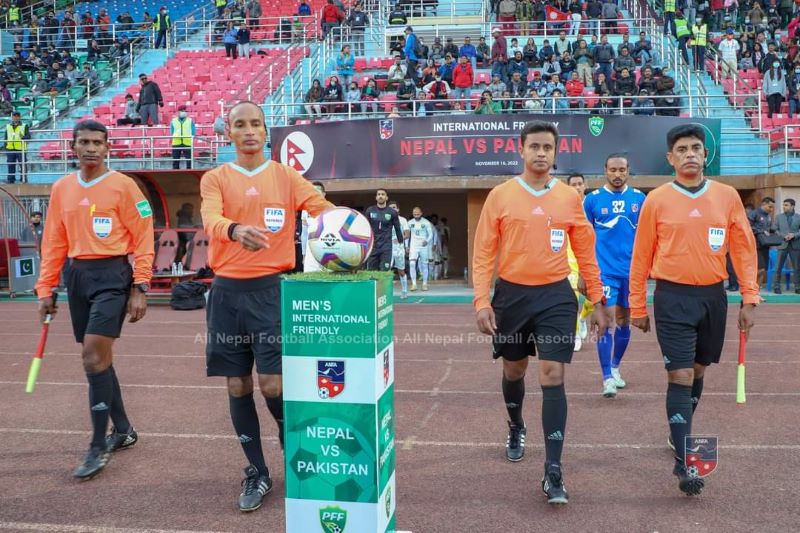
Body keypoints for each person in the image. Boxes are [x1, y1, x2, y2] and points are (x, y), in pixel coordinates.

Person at [200, 101, 333, 512]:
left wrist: (347, 228)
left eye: (255, 123)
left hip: (272, 293)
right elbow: (211, 221)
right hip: (225, 295)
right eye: (240, 125)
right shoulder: (215, 178)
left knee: (273, 385)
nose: (249, 131)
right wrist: (235, 229)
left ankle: (290, 444)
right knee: (237, 384)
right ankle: (257, 471)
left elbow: (322, 210)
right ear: (229, 133)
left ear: (265, 130)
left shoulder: (287, 176)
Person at [473, 121, 607, 505]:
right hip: (511, 296)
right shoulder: (500, 196)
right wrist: (482, 301)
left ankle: (553, 470)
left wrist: (596, 300)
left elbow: (585, 251)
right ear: (521, 149)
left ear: (556, 151)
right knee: (514, 370)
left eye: (548, 147)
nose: (541, 153)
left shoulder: (568, 198)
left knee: (553, 374)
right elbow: (483, 252)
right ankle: (516, 425)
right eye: (535, 146)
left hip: (556, 296)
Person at [629, 124, 758, 496]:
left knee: (699, 369)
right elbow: (641, 257)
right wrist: (638, 303)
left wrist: (749, 298)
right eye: (682, 149)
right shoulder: (656, 200)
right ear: (670, 158)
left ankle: (678, 433)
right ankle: (686, 461)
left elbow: (744, 249)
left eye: (696, 148)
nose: (689, 154)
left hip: (713, 297)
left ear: (705, 155)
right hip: (672, 297)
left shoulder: (727, 196)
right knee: (681, 374)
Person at [35, 119, 155, 480]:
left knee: (91, 354)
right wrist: (46, 289)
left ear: (107, 148)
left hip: (113, 276)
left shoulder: (125, 186)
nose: (90, 148)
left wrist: (141, 285)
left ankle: (97, 446)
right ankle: (123, 430)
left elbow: (145, 235)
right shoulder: (61, 189)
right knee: (99, 358)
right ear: (73, 147)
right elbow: (54, 242)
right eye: (83, 142)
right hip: (77, 276)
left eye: (97, 142)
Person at [583, 154, 646, 397]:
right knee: (605, 323)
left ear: (628, 170)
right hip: (604, 272)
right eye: (613, 170)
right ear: (605, 170)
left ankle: (616, 367)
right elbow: (583, 239)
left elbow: (647, 236)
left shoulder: (640, 199)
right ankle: (607, 377)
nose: (617, 174)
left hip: (631, 273)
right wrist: (584, 273)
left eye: (622, 170)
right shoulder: (592, 200)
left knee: (624, 321)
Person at [565, 174, 593, 352]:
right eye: (573, 184)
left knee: (594, 299)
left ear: (585, 186)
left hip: (592, 258)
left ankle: (583, 319)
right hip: (570, 258)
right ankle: (575, 334)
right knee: (572, 299)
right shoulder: (564, 208)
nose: (577, 187)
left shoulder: (592, 205)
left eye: (579, 184)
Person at [364, 189, 404, 271]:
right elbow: (365, 228)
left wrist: (401, 243)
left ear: (386, 197)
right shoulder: (370, 210)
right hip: (373, 247)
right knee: (372, 273)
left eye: (382, 194)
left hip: (386, 247)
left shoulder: (392, 212)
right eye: (378, 194)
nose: (380, 196)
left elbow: (397, 229)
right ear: (376, 197)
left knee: (384, 272)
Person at [772, 198, 800, 294]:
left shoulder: (798, 217)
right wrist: (783, 236)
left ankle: (797, 287)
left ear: (792, 206)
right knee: (778, 267)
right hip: (782, 244)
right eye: (784, 205)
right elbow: (774, 229)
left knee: (797, 267)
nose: (784, 207)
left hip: (795, 245)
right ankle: (776, 287)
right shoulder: (778, 217)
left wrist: (794, 235)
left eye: (786, 205)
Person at [749, 197, 776, 288]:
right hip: (756, 246)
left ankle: (756, 292)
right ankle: (750, 288)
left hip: (765, 246)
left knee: (764, 269)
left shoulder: (768, 216)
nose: (771, 210)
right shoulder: (754, 213)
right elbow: (747, 226)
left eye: (772, 208)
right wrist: (760, 231)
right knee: (759, 269)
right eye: (770, 207)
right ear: (764, 204)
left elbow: (769, 229)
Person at [302, 181, 327, 272]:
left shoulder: (333, 209)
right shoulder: (305, 210)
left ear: (324, 194)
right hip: (310, 253)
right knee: (310, 282)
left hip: (328, 251)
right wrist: (304, 254)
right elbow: (304, 234)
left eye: (318, 191)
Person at [407, 206, 434, 291]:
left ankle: (425, 284)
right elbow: (407, 235)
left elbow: (431, 234)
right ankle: (414, 284)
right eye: (415, 214)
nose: (416, 215)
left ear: (421, 213)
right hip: (413, 246)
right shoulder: (410, 222)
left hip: (423, 246)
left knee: (424, 264)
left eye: (418, 214)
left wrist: (427, 241)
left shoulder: (426, 222)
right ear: (413, 214)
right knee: (411, 264)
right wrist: (406, 245)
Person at [388, 200, 410, 298]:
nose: (392, 209)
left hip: (398, 248)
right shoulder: (385, 220)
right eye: (390, 207)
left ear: (398, 209)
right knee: (386, 271)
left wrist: (399, 239)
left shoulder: (403, 220)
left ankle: (404, 291)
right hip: (387, 248)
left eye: (394, 207)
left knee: (401, 270)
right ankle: (386, 293)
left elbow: (407, 234)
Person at [4, 111, 30, 184]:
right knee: (11, 165)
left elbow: (28, 137)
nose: (16, 117)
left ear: (20, 117)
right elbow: (6, 137)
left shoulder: (24, 126)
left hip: (20, 149)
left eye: (17, 116)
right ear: (12, 117)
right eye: (14, 116)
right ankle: (11, 180)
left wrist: (23, 137)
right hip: (10, 149)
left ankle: (23, 179)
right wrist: (6, 147)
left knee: (23, 165)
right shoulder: (8, 126)